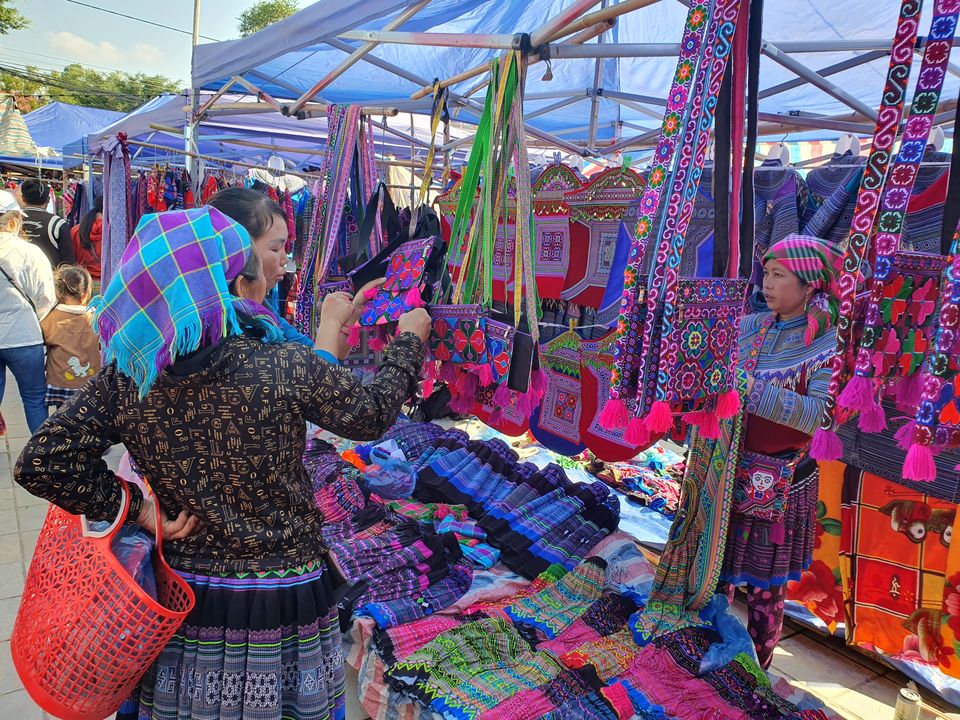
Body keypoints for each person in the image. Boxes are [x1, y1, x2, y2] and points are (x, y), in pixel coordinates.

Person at [15, 205, 431, 720]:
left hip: (184, 597)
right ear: (225, 282)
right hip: (285, 598)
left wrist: (138, 508)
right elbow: (370, 414)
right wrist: (409, 341)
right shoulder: (280, 364)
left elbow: (42, 460)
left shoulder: (129, 378)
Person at [719, 233, 841, 668]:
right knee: (715, 571)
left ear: (810, 284)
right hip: (728, 469)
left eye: (778, 275)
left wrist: (750, 392)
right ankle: (705, 648)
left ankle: (755, 672)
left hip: (782, 482)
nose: (766, 284)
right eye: (766, 274)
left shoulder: (828, 342)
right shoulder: (751, 326)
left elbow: (818, 417)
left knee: (765, 588)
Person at [207, 187, 375, 364]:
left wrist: (355, 310)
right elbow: (323, 381)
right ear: (235, 250)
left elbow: (324, 353)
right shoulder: (228, 329)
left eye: (285, 248)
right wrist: (330, 322)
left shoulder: (263, 314)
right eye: (275, 248)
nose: (284, 260)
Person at [0, 190, 56, 433]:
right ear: (13, 221)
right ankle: (40, 461)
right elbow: (46, 297)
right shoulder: (30, 252)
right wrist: (38, 318)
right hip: (25, 336)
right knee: (34, 399)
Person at [40, 265, 100, 411]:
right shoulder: (96, 318)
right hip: (90, 384)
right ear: (86, 293)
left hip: (60, 383)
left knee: (63, 418)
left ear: (59, 292)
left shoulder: (50, 318)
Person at [18, 179, 75, 268]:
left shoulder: (10, 220)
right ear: (48, 200)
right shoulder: (58, 224)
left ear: (23, 198)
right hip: (49, 278)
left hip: (13, 279)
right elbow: (69, 263)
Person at [71, 195, 103, 291]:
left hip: (83, 283)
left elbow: (72, 258)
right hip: (108, 283)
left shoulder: (76, 230)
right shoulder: (114, 232)